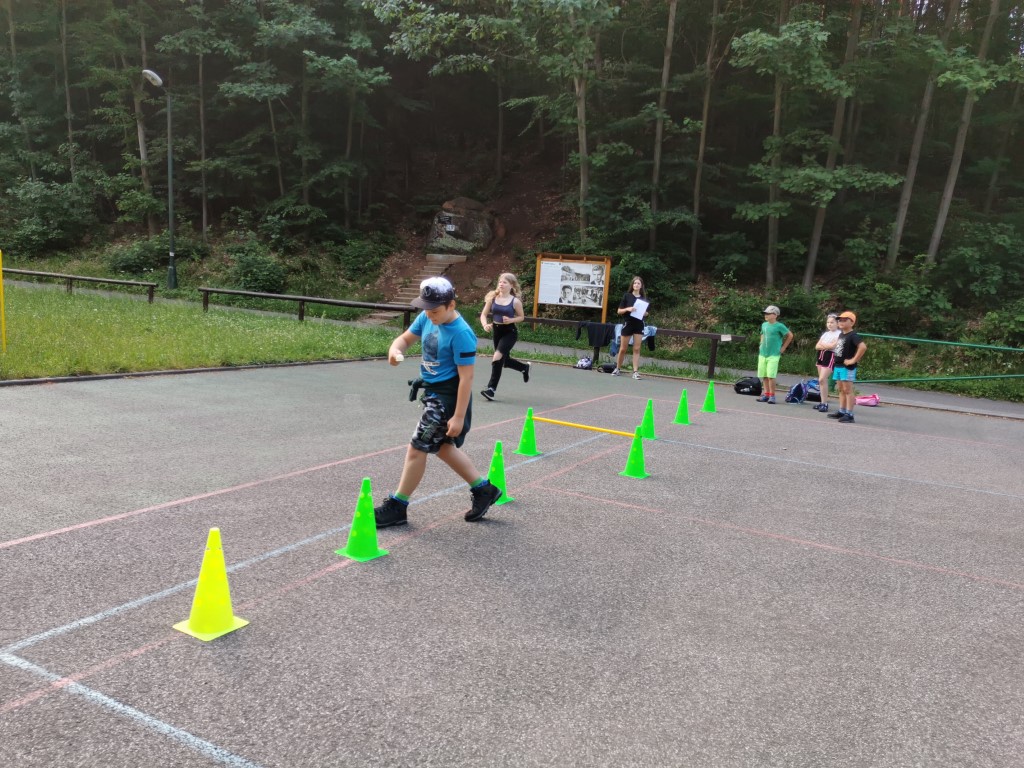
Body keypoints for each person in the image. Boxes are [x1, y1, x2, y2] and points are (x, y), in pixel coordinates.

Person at [374, 276, 502, 528]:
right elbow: (404, 339)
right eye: (426, 310)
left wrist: (458, 416)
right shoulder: (427, 317)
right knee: (442, 447)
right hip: (433, 394)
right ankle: (483, 490)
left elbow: (466, 379)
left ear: (451, 305)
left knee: (417, 447)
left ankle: (398, 506)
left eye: (434, 311)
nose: (429, 315)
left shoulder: (462, 334)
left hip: (447, 399)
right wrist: (394, 350)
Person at [479, 272, 531, 401]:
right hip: (497, 331)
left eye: (505, 282)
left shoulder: (515, 301)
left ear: (511, 285)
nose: (501, 284)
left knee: (497, 356)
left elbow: (521, 317)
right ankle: (524, 368)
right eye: (500, 282)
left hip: (509, 332)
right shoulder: (492, 298)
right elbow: (483, 315)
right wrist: (485, 325)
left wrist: (511, 320)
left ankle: (491, 389)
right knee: (504, 361)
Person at [828, 310, 867, 424]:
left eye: (845, 320)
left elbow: (863, 347)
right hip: (838, 365)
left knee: (847, 390)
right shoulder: (841, 334)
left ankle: (849, 414)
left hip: (847, 367)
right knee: (840, 389)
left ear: (852, 322)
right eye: (840, 320)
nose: (841, 322)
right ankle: (842, 411)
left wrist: (853, 360)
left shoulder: (853, 335)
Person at [612, 276, 648, 380]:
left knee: (636, 348)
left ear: (641, 286)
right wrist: (628, 309)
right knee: (623, 348)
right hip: (628, 324)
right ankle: (618, 368)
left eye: (638, 283)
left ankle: (635, 372)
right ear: (632, 285)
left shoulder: (643, 299)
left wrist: (645, 313)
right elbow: (619, 311)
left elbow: (647, 313)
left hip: (639, 325)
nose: (636, 285)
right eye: (635, 283)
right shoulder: (627, 296)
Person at [757, 304, 793, 404]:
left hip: (773, 354)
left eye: (768, 313)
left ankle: (772, 396)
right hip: (763, 354)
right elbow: (762, 334)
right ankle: (766, 394)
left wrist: (783, 347)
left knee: (771, 376)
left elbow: (790, 335)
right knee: (764, 375)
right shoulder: (764, 325)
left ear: (775, 315)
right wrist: (761, 344)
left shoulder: (779, 326)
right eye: (765, 313)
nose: (766, 315)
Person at [812, 313, 840, 413]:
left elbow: (832, 347)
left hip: (830, 356)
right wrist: (826, 345)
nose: (829, 324)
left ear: (837, 323)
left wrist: (823, 345)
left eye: (832, 322)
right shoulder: (826, 334)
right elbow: (817, 346)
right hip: (821, 355)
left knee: (822, 379)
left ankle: (825, 404)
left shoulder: (839, 334)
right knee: (821, 381)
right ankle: (822, 402)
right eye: (828, 322)